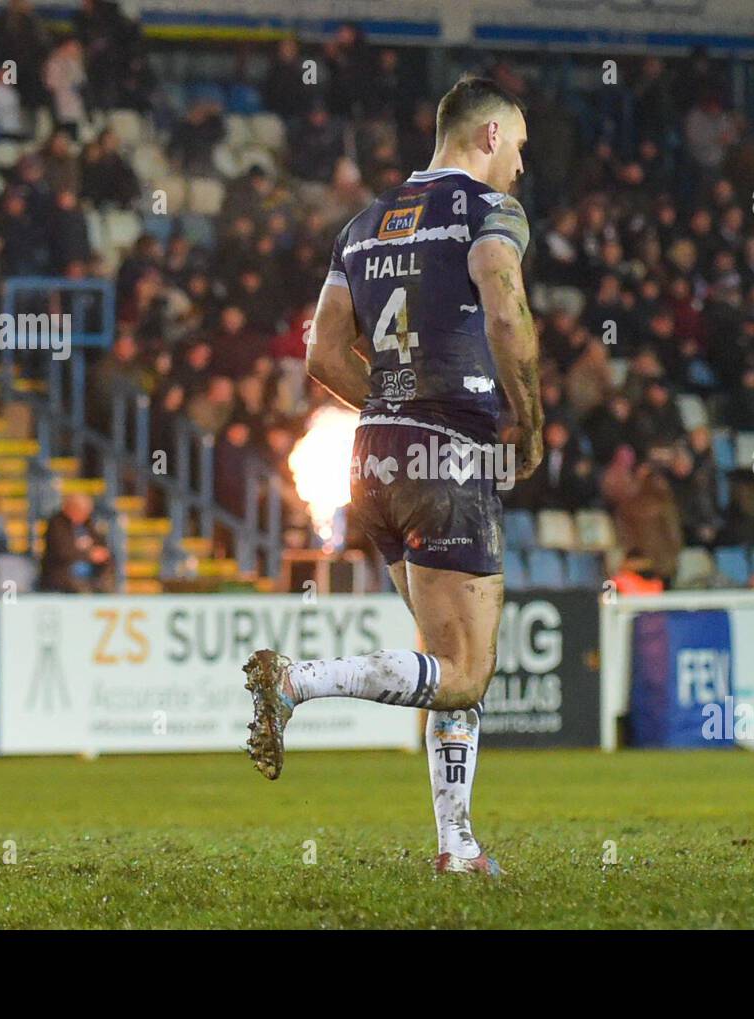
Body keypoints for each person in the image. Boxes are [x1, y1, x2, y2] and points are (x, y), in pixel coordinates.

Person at [242, 77, 541, 877]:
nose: (519, 166)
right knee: (465, 669)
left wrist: (394, 401)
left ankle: (456, 844)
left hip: (373, 453)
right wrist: (531, 418)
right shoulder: (488, 212)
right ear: (486, 137)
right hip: (448, 452)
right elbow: (506, 309)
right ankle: (297, 683)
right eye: (517, 146)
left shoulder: (365, 223)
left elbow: (320, 353)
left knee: (446, 660)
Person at [39, 493, 114, 593]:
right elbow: (62, 552)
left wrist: (102, 553)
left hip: (92, 570)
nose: (85, 515)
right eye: (81, 511)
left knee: (107, 578)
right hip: (63, 573)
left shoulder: (88, 524)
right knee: (80, 588)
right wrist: (89, 555)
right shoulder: (56, 524)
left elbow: (100, 544)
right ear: (70, 508)